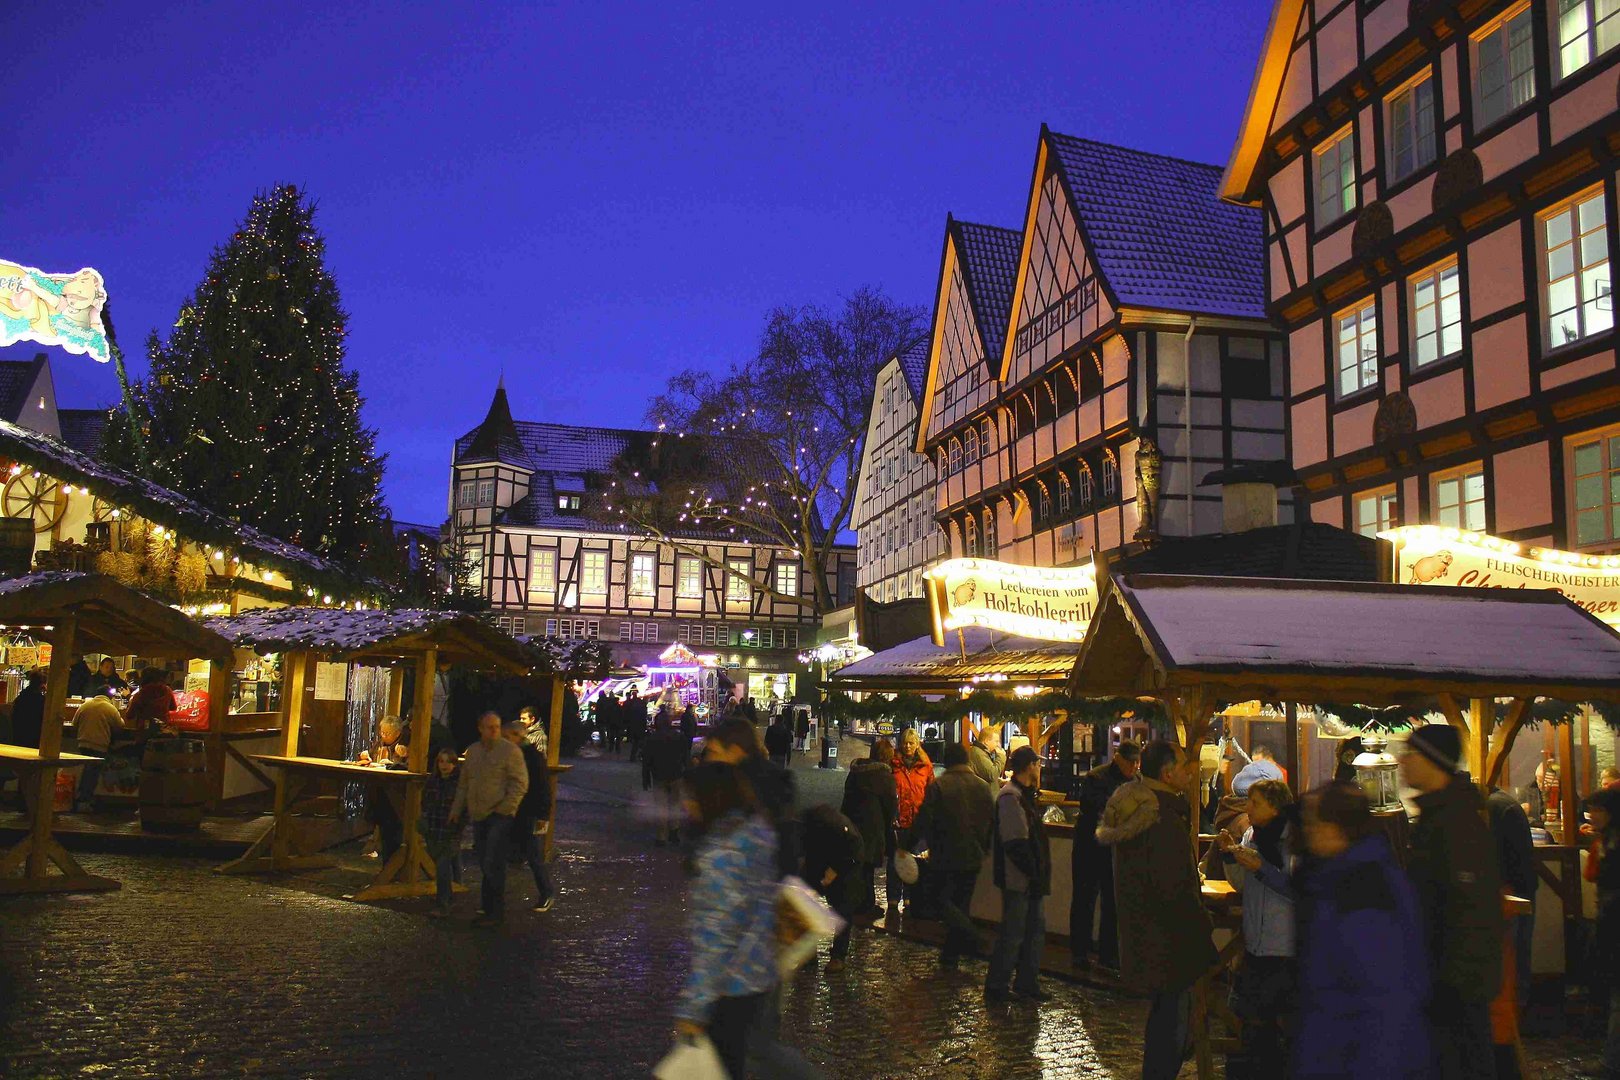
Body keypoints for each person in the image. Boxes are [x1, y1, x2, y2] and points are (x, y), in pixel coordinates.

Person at [1294, 781, 1430, 1079]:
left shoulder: (1364, 888)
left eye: (1314, 823)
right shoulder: (1337, 876)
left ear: (1337, 826)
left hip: (1359, 1057)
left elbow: (1384, 1002)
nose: (1308, 831)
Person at [1098, 739, 1216, 1080]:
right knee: (1172, 1025)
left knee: (1166, 1019)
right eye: (1183, 766)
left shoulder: (1141, 807)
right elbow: (1173, 887)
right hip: (1168, 939)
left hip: (1149, 933)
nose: (1190, 771)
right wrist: (1201, 928)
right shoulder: (1160, 817)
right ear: (1167, 773)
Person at [1399, 724, 1503, 1080]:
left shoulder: (1456, 824)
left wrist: (1448, 985)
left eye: (1411, 753)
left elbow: (1470, 913)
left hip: (1453, 989)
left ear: (1432, 760)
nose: (1402, 761)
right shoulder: (1436, 818)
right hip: (1439, 982)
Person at [674, 762, 780, 1080]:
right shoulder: (757, 834)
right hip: (759, 975)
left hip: (728, 988)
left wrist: (693, 1009)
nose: (684, 804)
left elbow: (714, 941)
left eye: (690, 797)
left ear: (710, 799)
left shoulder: (718, 860)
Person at [1218, 778, 1297, 1079]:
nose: (1247, 809)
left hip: (1285, 948)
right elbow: (1242, 884)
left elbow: (1298, 889)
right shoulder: (1251, 834)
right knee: (1248, 1021)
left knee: (1282, 1027)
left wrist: (1261, 869)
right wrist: (1230, 856)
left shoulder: (1295, 839)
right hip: (1254, 944)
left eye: (1255, 803)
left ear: (1275, 806)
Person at [915, 741, 995, 969]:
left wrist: (908, 845)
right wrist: (985, 847)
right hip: (974, 854)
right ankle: (950, 956)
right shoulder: (981, 786)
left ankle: (973, 938)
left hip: (945, 853)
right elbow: (991, 821)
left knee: (938, 900)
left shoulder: (940, 786)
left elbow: (924, 819)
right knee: (961, 904)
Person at [451, 711, 529, 926]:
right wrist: (457, 809)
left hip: (499, 815)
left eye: (497, 726)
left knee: (493, 861)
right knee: (485, 861)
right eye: (490, 727)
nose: (494, 731)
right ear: (480, 728)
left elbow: (520, 783)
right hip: (479, 813)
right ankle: (488, 908)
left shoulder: (510, 752)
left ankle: (494, 912)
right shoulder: (474, 752)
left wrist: (506, 808)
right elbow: (465, 783)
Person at [985, 745, 1050, 1002]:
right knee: (1014, 933)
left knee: (1033, 931)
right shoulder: (1011, 797)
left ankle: (1026, 982)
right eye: (1037, 764)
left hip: (1029, 878)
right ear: (1028, 766)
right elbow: (1016, 843)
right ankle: (998, 984)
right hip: (1019, 879)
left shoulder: (1023, 795)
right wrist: (1033, 873)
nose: (1039, 768)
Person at [1071, 740, 1139, 970]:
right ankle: (1080, 952)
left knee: (1112, 903)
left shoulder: (1133, 782)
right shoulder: (1096, 778)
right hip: (1090, 848)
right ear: (1118, 758)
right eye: (1130, 762)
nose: (1133, 766)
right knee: (1085, 900)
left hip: (1114, 849)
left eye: (1136, 762)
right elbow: (1094, 810)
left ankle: (1108, 955)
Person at [1486, 781, 1537, 1018]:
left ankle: (1513, 1014)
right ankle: (1519, 1009)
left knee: (1512, 955)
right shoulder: (1504, 802)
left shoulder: (1494, 807)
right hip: (1523, 886)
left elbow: (1496, 853)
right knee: (1520, 954)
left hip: (1512, 890)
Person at [1582, 786, 1620, 1077]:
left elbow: (1599, 877)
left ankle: (1610, 1062)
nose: (1592, 814)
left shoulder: (1613, 844)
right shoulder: (1607, 840)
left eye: (1597, 810)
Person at [799, 803, 862, 972]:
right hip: (819, 861)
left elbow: (853, 851)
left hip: (844, 865)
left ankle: (838, 956)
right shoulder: (806, 827)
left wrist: (833, 872)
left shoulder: (842, 832)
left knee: (842, 910)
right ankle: (810, 955)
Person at [840, 738, 898, 920]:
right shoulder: (884, 776)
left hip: (853, 823)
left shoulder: (856, 772)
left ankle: (857, 903)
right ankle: (866, 905)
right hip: (873, 826)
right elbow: (890, 805)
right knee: (868, 868)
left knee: (857, 865)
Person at [503, 719, 556, 912]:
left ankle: (547, 893)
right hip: (525, 812)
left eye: (507, 737)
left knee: (534, 855)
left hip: (531, 813)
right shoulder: (522, 754)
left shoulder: (530, 757)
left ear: (517, 736)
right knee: (520, 854)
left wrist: (543, 815)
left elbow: (541, 789)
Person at [889, 727, 934, 914]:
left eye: (911, 743)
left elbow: (931, 792)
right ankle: (893, 900)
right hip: (899, 822)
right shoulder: (893, 764)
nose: (907, 746)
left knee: (914, 864)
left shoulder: (925, 766)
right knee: (895, 863)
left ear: (917, 744)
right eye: (905, 743)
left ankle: (910, 899)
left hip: (918, 821)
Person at [360, 715, 410, 863]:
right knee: (382, 824)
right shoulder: (380, 742)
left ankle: (393, 862)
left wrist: (397, 760)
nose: (383, 736)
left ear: (397, 733)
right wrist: (366, 756)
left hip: (396, 794)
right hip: (379, 790)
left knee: (393, 830)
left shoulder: (404, 743)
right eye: (381, 732)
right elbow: (371, 754)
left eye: (387, 733)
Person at [421, 747, 462, 918]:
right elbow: (426, 801)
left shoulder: (458, 784)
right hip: (434, 827)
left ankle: (443, 902)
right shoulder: (433, 781)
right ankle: (454, 891)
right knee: (447, 860)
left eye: (448, 762)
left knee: (443, 864)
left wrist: (458, 825)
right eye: (441, 761)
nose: (444, 765)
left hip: (450, 828)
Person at [644, 712, 689, 845]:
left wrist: (645, 777)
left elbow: (647, 760)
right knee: (675, 804)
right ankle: (674, 831)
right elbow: (685, 756)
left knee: (661, 806)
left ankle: (661, 836)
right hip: (676, 775)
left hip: (659, 776)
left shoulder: (652, 738)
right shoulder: (679, 736)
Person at [71, 695, 121, 813]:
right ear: (108, 697)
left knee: (88, 771)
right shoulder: (110, 708)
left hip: (83, 743)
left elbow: (74, 724)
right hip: (99, 745)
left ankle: (82, 800)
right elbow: (120, 725)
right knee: (92, 773)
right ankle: (83, 801)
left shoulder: (84, 705)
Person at [125, 668, 177, 744]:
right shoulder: (167, 690)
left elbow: (129, 715)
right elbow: (173, 707)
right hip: (163, 729)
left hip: (145, 732)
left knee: (144, 753)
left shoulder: (140, 694)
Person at [9, 668, 45, 749]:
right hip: (34, 736)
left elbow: (13, 714)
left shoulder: (21, 697)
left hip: (19, 734)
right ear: (41, 684)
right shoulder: (41, 700)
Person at [967, 721, 1006, 791]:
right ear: (986, 741)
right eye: (996, 741)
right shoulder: (978, 753)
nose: (998, 744)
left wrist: (999, 782)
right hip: (985, 798)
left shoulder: (983, 752)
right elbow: (991, 774)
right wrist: (1001, 756)